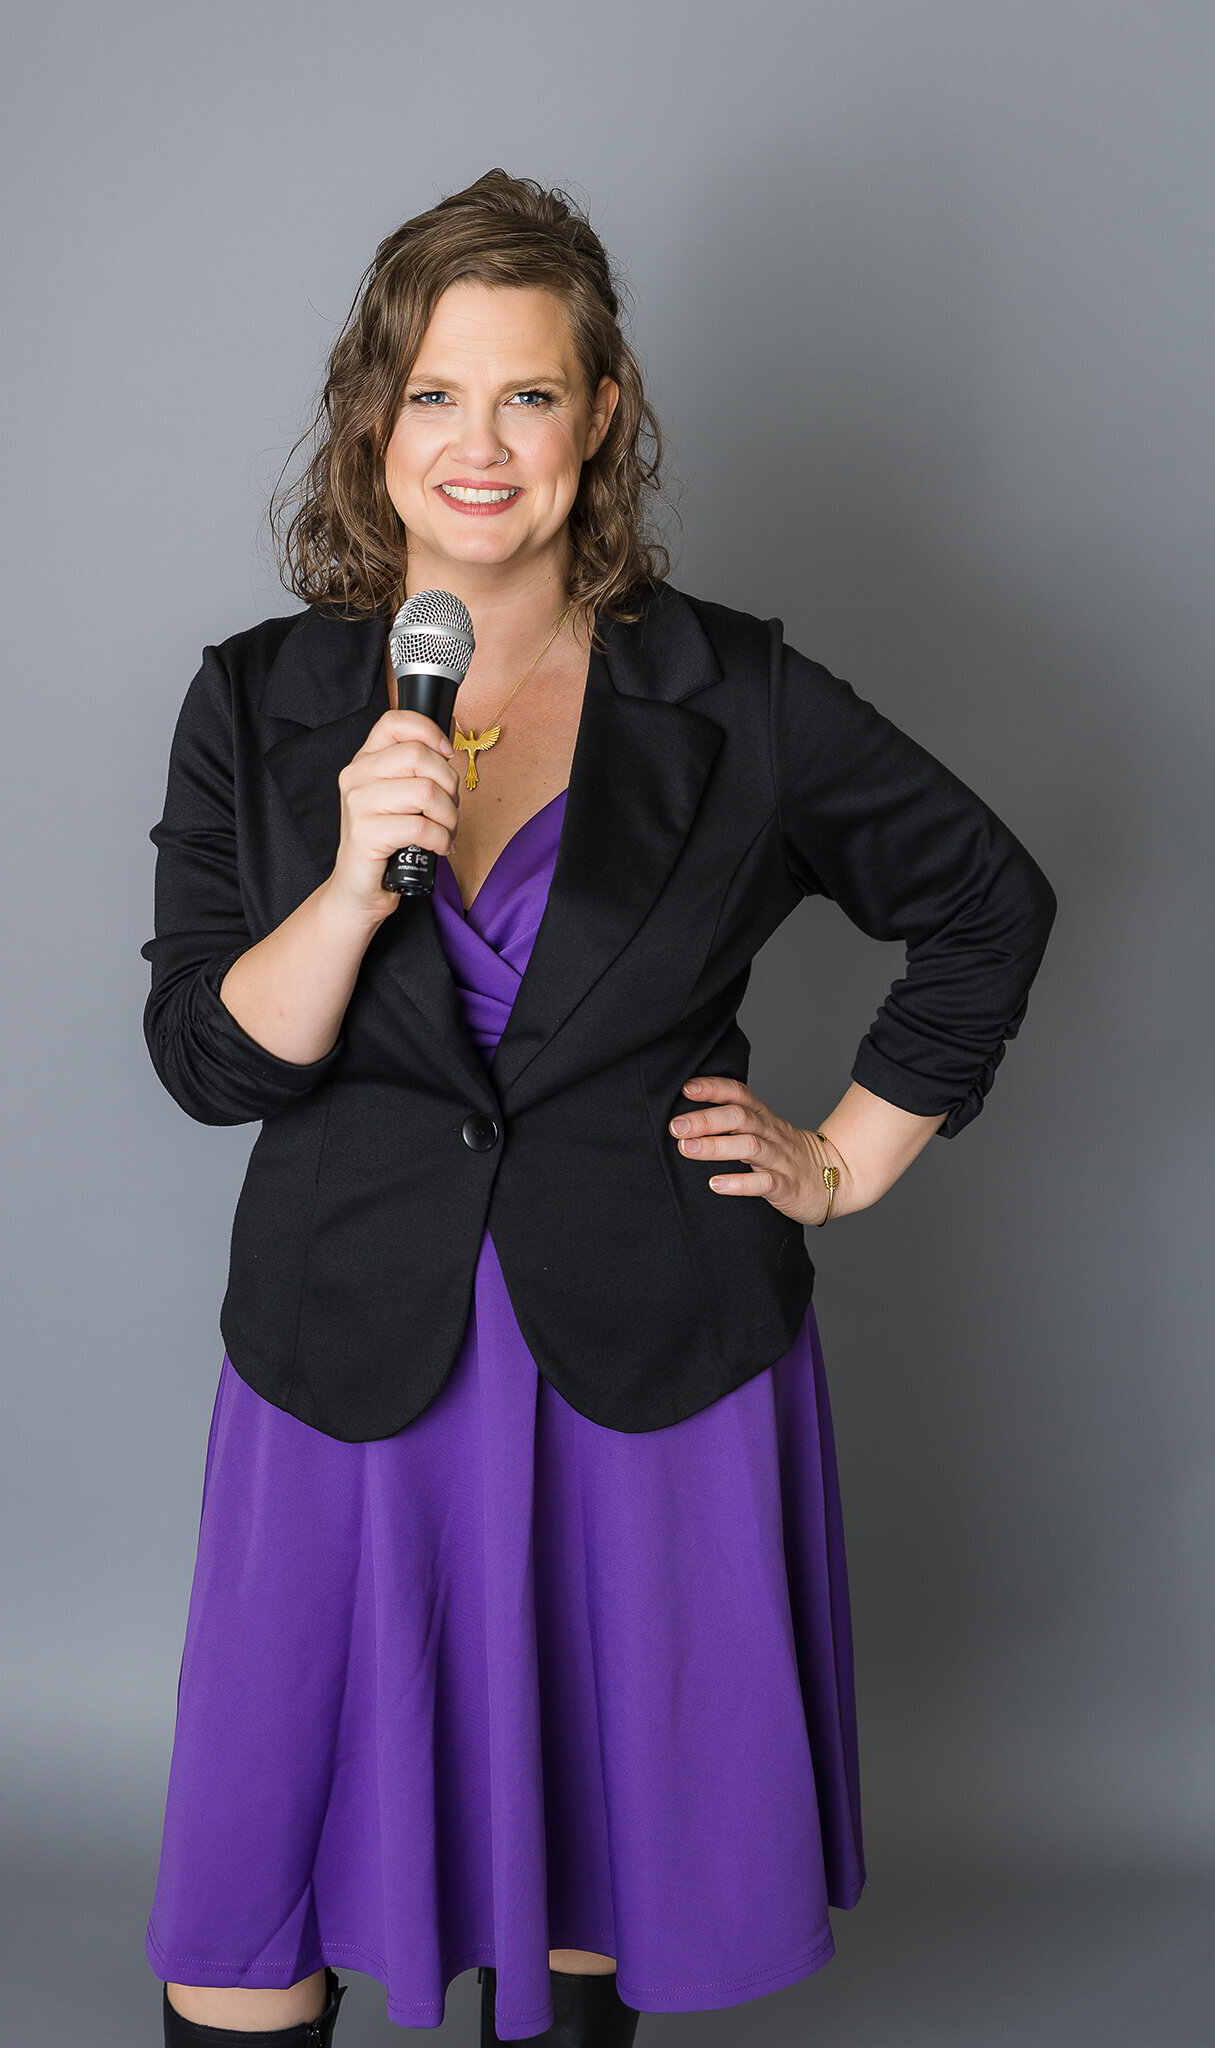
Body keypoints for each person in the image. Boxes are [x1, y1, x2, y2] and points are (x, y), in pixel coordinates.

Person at [139, 171, 1056, 2048]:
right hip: (347, 1364)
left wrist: (847, 1155)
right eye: (437, 398)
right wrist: (343, 881)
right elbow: (209, 1062)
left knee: (585, 1887)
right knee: (249, 1904)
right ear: (373, 421)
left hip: (643, 1364)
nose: (482, 447)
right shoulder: (258, 704)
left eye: (531, 396)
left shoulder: (742, 695)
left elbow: (987, 899)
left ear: (602, 415)